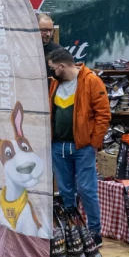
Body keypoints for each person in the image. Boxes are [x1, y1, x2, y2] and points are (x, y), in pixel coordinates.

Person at [46, 47, 110, 246]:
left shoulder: (91, 81)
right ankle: (72, 232)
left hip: (82, 148)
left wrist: (94, 144)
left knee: (86, 189)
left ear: (62, 66)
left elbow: (103, 114)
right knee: (65, 191)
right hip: (58, 146)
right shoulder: (54, 84)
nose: (51, 72)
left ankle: (94, 233)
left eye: (53, 68)